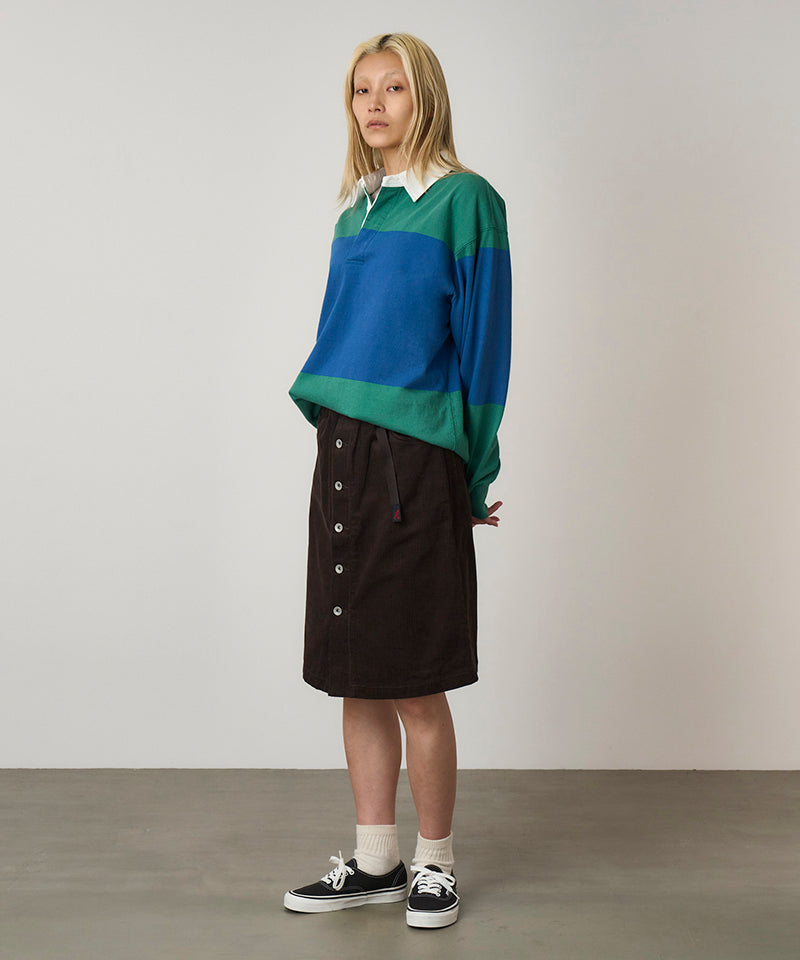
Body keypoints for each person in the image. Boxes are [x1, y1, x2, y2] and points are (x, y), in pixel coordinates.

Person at [284, 32, 511, 929]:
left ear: (427, 99)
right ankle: (376, 859)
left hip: (416, 458)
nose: (374, 105)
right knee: (358, 675)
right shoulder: (357, 211)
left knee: (416, 675)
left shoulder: (466, 202)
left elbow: (485, 349)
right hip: (342, 450)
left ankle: (435, 862)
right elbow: (340, 334)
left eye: (394, 89)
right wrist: (335, 432)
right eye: (360, 90)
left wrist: (472, 468)